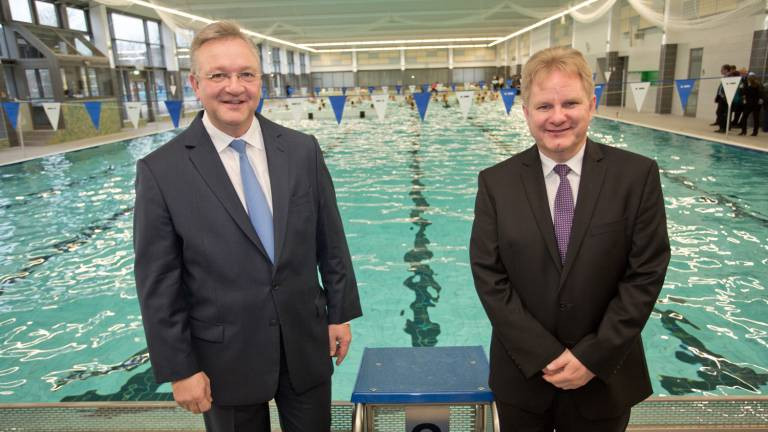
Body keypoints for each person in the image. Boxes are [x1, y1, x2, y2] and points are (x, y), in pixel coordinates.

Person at [133, 20, 361, 432]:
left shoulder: (300, 149)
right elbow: (158, 280)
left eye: (245, 74)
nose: (234, 87)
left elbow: (330, 239)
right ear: (195, 83)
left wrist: (339, 314)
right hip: (224, 360)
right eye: (218, 75)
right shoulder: (161, 170)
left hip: (305, 345)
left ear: (260, 80)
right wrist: (179, 368)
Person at [470, 46, 670, 432]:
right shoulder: (496, 182)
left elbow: (645, 274)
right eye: (544, 106)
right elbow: (489, 277)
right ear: (525, 111)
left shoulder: (636, 176)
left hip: (605, 377)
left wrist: (593, 356)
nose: (558, 117)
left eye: (570, 103)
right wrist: (543, 354)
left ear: (592, 105)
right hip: (525, 378)